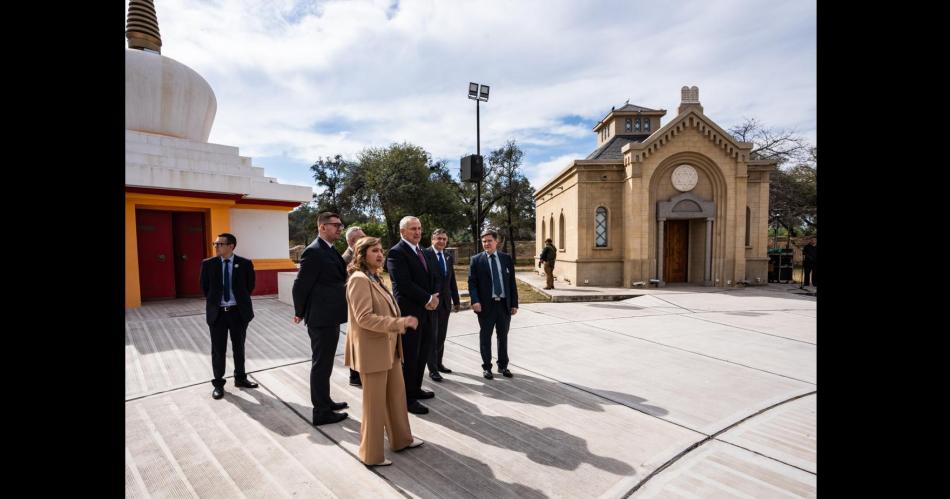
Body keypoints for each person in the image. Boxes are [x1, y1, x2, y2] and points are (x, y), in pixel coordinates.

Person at [345, 236, 424, 466]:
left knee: (396, 397)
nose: (380, 255)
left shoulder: (376, 277)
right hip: (373, 351)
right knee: (374, 405)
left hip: (389, 349)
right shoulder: (358, 280)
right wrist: (400, 323)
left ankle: (401, 439)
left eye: (381, 251)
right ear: (361, 255)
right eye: (374, 251)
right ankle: (370, 455)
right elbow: (364, 318)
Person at [292, 212, 349, 426]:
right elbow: (301, 285)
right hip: (320, 317)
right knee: (321, 364)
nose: (339, 229)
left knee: (325, 364)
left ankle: (326, 402)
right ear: (322, 227)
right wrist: (300, 311)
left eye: (340, 225)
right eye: (335, 225)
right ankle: (321, 412)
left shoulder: (329, 249)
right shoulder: (313, 252)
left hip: (330, 316)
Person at [386, 216, 442, 415]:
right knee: (410, 356)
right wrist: (427, 298)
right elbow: (403, 284)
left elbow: (434, 276)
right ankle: (406, 398)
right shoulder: (396, 253)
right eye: (412, 229)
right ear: (402, 232)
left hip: (427, 311)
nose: (417, 232)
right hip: (410, 313)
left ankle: (416, 389)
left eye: (419, 228)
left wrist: (434, 297)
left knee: (423, 352)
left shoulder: (423, 251)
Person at [200, 232, 257, 400]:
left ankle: (240, 378)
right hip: (217, 314)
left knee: (239, 347)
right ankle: (218, 383)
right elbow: (205, 288)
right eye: (215, 244)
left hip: (238, 313)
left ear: (231, 246)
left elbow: (249, 286)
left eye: (220, 244)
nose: (216, 246)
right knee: (218, 350)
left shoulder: (245, 264)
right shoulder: (208, 264)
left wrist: (237, 303)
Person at [468, 229, 519, 380]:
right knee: (485, 337)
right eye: (484, 241)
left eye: (489, 241)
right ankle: (487, 367)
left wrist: (514, 303)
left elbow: (511, 282)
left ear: (497, 242)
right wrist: (475, 301)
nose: (486, 244)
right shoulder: (476, 260)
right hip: (485, 306)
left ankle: (503, 365)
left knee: (503, 336)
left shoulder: (506, 259)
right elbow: (472, 283)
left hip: (504, 305)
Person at [424, 229, 461, 381]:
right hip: (431, 302)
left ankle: (439, 363)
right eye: (438, 238)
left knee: (441, 336)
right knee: (432, 336)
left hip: (445, 303)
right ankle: (432, 369)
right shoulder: (425, 254)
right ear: (432, 239)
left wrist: (456, 300)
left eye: (444, 239)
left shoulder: (447, 256)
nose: (441, 241)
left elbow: (451, 280)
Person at [342, 226, 366, 387]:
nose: (366, 239)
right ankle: (355, 376)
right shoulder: (345, 259)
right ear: (352, 241)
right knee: (356, 340)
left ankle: (360, 373)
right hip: (355, 306)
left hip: (364, 303)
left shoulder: (361, 255)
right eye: (362, 237)